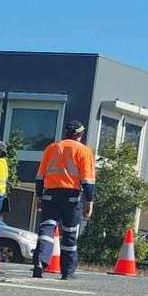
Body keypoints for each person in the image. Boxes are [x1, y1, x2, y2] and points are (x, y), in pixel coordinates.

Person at [33, 120, 95, 280]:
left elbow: (40, 176)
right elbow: (88, 180)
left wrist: (39, 195)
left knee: (46, 229)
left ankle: (40, 261)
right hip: (71, 197)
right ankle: (67, 271)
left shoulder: (52, 148)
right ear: (80, 135)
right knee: (69, 233)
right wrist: (89, 202)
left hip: (50, 194)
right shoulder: (84, 151)